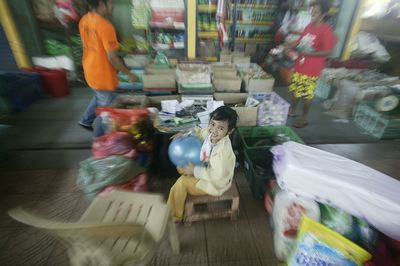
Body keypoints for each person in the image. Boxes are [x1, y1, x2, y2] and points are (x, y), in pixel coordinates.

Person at [167, 106, 238, 222]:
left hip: (215, 183)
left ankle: (173, 216)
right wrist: (184, 134)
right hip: (205, 167)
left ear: (230, 131)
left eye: (220, 128)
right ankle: (189, 176)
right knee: (180, 167)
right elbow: (200, 132)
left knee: (180, 183)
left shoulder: (223, 152)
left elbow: (217, 175)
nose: (214, 130)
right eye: (212, 124)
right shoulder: (210, 133)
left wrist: (194, 171)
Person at [78, 0, 137, 130]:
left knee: (100, 95)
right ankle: (105, 140)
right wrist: (129, 73)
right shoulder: (105, 25)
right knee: (108, 113)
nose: (113, 5)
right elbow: (112, 57)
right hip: (102, 73)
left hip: (89, 68)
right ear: (101, 3)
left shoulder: (84, 19)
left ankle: (86, 120)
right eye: (110, 2)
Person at [286, 0, 337, 128]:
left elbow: (328, 51)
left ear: (324, 14)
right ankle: (292, 110)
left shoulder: (326, 30)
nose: (313, 14)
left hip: (311, 69)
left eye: (317, 12)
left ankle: (304, 118)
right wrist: (287, 45)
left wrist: (308, 54)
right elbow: (299, 41)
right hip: (300, 65)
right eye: (312, 11)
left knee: (306, 94)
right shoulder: (309, 26)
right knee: (295, 90)